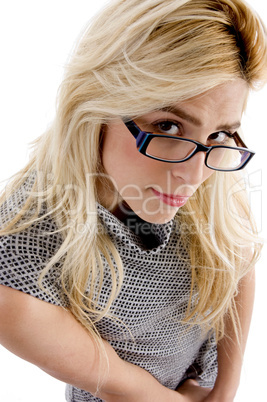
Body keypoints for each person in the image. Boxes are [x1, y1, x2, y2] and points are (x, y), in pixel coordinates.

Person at [0, 0, 266, 401]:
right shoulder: (19, 268)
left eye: (220, 134)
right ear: (97, 105)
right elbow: (129, 391)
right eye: (167, 125)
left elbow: (237, 250)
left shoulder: (202, 159)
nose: (194, 178)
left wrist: (225, 389)